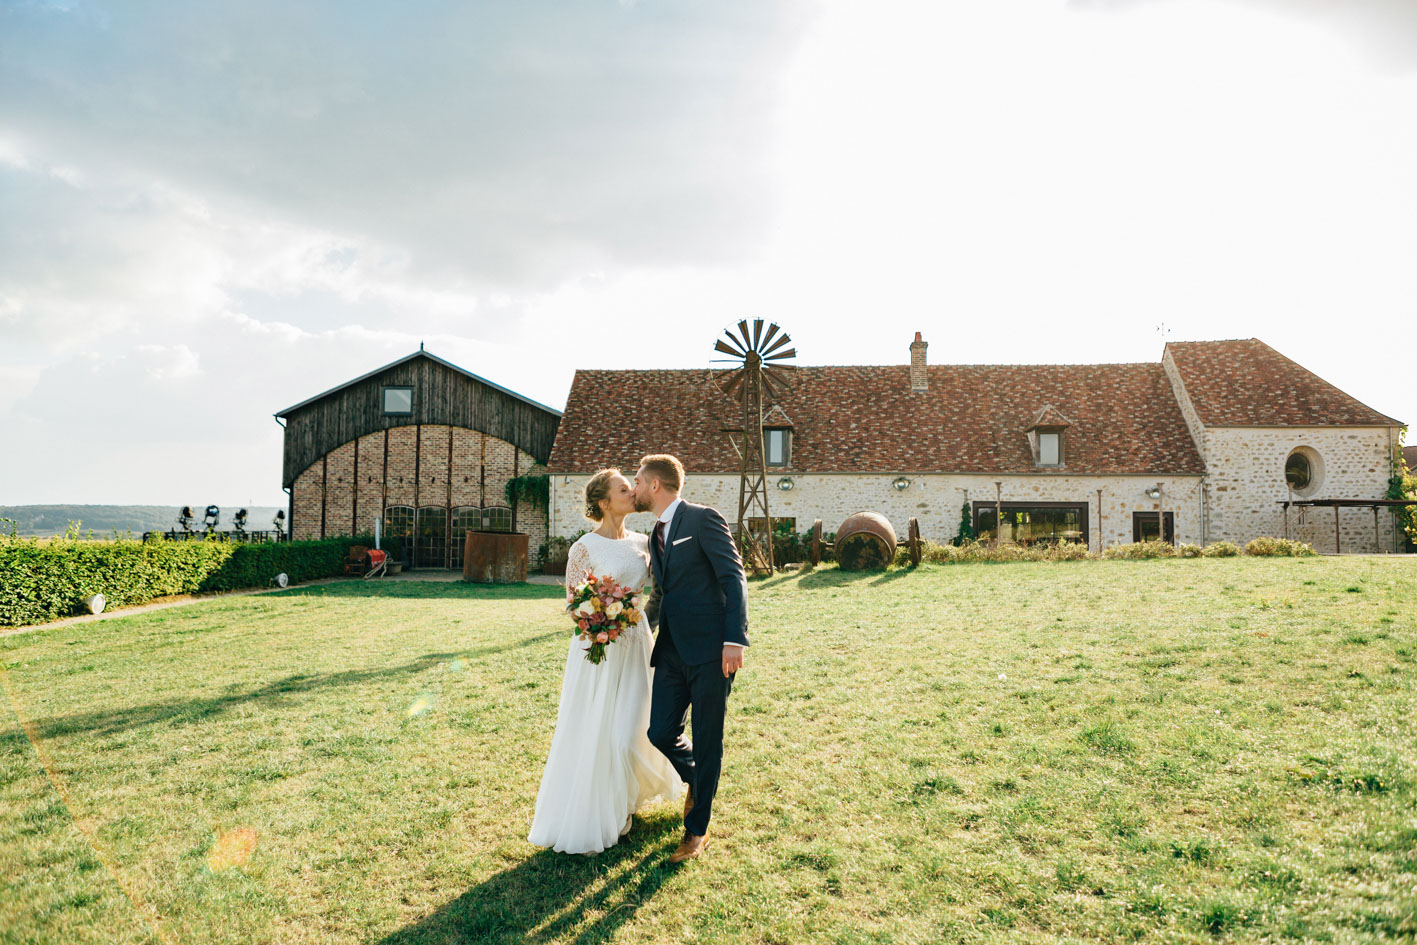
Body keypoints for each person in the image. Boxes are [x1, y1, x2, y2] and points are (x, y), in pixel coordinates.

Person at [527, 469, 681, 855]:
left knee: (634, 726)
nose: (633, 492)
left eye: (632, 487)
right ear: (603, 502)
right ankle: (607, 807)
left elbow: (664, 587)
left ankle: (627, 796)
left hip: (635, 643)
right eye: (624, 489)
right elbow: (572, 604)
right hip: (597, 647)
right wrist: (600, 620)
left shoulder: (645, 543)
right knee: (598, 727)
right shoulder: (584, 548)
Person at [633, 453, 749, 864]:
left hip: (712, 652)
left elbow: (733, 577)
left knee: (708, 736)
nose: (634, 488)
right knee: (660, 731)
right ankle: (698, 780)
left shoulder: (703, 519)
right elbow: (661, 594)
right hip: (671, 652)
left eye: (638, 481)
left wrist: (735, 639)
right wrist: (633, 626)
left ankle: (696, 831)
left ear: (656, 486)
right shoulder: (654, 536)